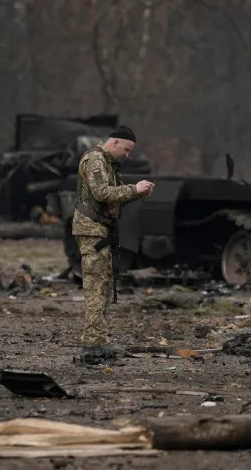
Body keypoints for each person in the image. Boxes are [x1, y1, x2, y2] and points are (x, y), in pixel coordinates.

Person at [72, 125, 155, 353]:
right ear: (115, 142)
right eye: (126, 149)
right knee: (96, 287)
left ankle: (99, 338)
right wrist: (133, 189)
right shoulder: (96, 160)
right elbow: (102, 193)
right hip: (92, 230)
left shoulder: (107, 162)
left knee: (104, 286)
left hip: (101, 230)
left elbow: (111, 199)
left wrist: (135, 193)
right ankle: (93, 342)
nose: (127, 155)